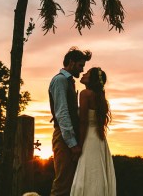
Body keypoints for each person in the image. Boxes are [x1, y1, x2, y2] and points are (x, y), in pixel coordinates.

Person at [49, 47, 92, 196]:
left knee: (71, 182)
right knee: (63, 183)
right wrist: (72, 144)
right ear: (72, 63)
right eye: (80, 65)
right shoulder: (60, 80)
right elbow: (62, 113)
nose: (81, 70)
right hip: (63, 137)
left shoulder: (68, 81)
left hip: (68, 136)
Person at [70, 67, 116, 196]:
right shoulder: (101, 98)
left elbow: (83, 121)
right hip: (100, 141)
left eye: (88, 73)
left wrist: (78, 145)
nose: (84, 74)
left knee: (87, 176)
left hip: (89, 140)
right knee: (98, 175)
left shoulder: (85, 94)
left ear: (92, 79)